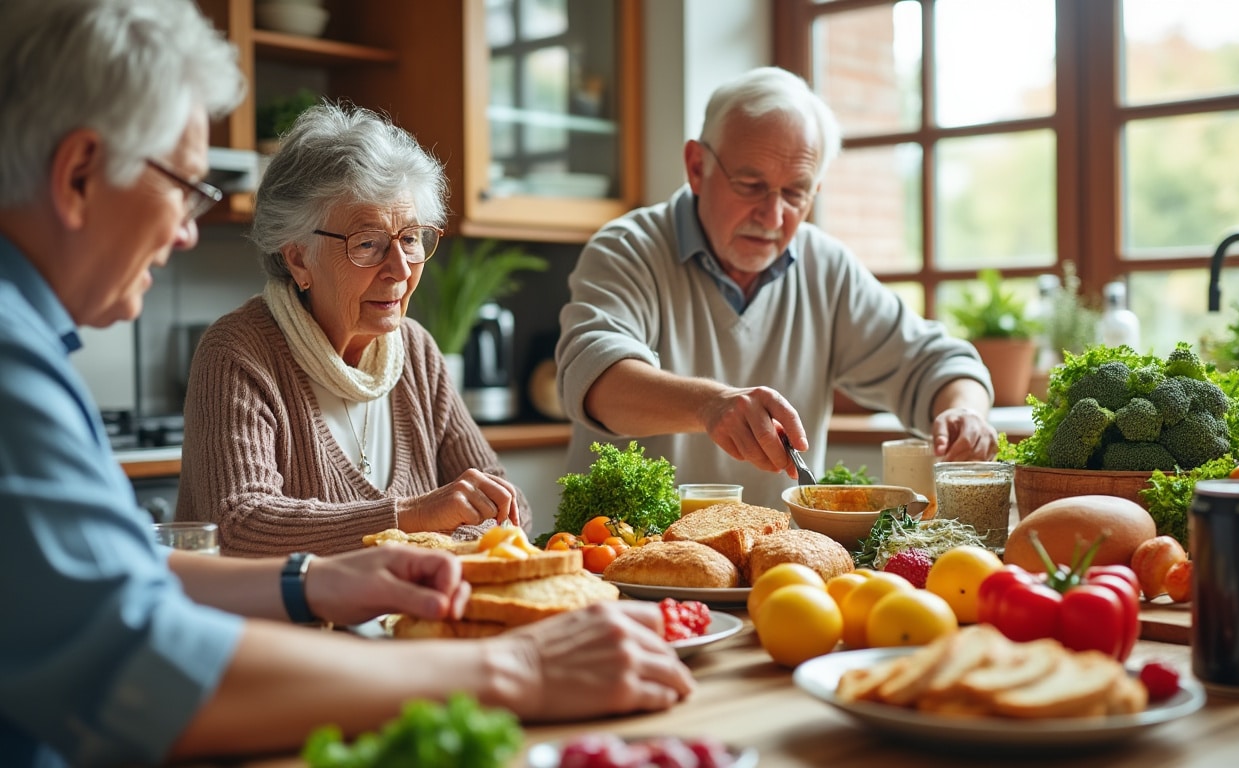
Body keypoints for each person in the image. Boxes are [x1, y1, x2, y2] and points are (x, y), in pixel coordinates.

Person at [0, 2, 693, 766]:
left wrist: (318, 581)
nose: (189, 229)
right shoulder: (18, 362)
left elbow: (133, 570)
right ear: (79, 175)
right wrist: (516, 669)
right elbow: (143, 663)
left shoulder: (30, 341)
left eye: (412, 241)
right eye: (183, 188)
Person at [556, 67, 998, 506]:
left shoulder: (827, 268)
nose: (772, 216)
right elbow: (595, 380)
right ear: (697, 166)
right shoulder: (627, 249)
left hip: (778, 562)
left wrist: (963, 412)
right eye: (751, 185)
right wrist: (710, 405)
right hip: (620, 552)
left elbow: (935, 362)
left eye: (795, 193)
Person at [176, 103, 530, 557]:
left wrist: (442, 529)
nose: (400, 269)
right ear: (299, 257)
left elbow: (506, 503)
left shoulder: (416, 353)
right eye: (368, 243)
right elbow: (242, 526)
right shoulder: (239, 353)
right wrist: (412, 517)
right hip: (281, 626)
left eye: (409, 239)